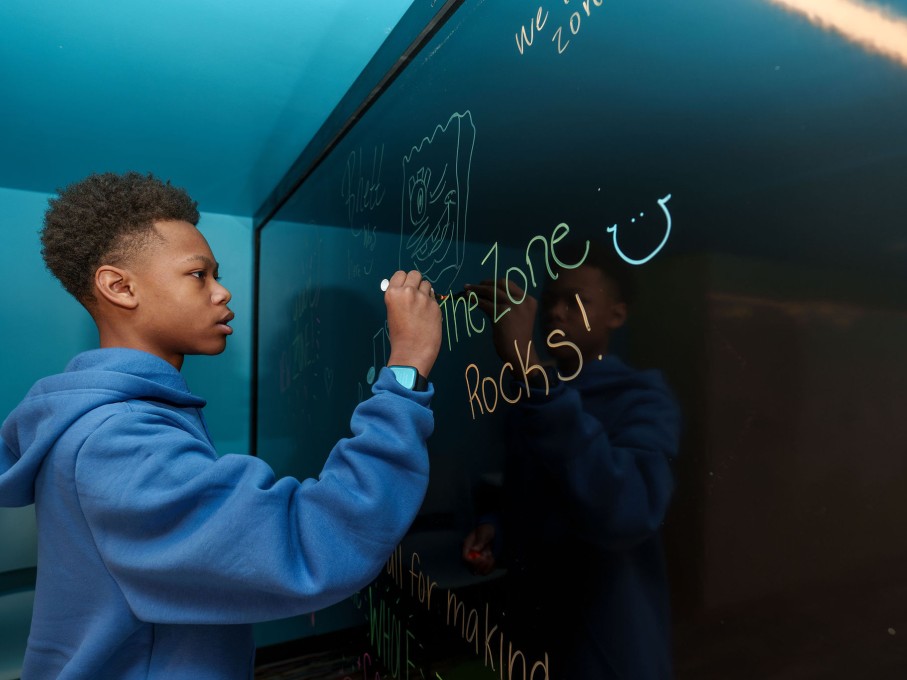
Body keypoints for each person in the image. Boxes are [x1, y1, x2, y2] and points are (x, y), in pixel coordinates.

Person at [0, 171, 442, 679]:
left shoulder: (118, 420)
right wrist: (407, 365)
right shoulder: (117, 441)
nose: (222, 292)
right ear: (119, 286)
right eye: (198, 275)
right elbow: (308, 541)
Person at [461, 240, 681, 679]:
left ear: (616, 315)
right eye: (552, 301)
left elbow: (626, 510)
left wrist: (531, 375)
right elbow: (540, 498)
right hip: (540, 640)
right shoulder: (536, 393)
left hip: (609, 648)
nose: (555, 312)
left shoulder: (642, 399)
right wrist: (498, 529)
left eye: (576, 301)